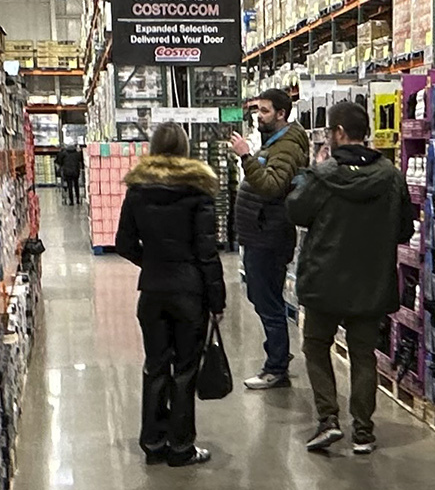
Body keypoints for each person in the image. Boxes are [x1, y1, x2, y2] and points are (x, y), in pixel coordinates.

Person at [287, 97, 415, 456]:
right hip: (370, 281)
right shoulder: (391, 176)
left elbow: (295, 211)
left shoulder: (323, 175)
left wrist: (312, 172)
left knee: (316, 346)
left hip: (324, 278)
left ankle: (328, 420)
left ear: (338, 133)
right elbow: (404, 230)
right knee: (363, 355)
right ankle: (363, 431)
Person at [110, 120, 226, 467]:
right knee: (185, 369)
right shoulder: (198, 191)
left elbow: (124, 244)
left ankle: (153, 442)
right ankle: (181, 447)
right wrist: (216, 300)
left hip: (153, 290)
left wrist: (153, 263)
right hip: (189, 292)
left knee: (155, 365)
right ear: (185, 149)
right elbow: (208, 252)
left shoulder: (137, 190)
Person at [228, 88, 307, 391]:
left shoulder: (286, 146)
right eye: (256, 110)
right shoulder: (276, 143)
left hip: (269, 236)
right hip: (261, 233)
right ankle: (278, 356)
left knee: (268, 302)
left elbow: (272, 186)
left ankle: (275, 367)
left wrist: (246, 156)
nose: (258, 116)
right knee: (263, 298)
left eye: (263, 110)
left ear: (281, 114)